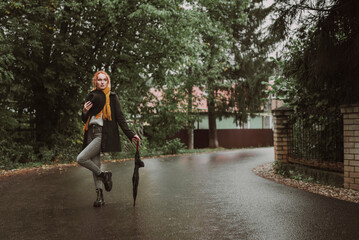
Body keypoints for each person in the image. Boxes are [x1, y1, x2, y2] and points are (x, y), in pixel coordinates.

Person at [77, 70, 140, 207]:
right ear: (95, 82)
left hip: (102, 134)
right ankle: (100, 197)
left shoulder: (112, 97)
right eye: (99, 80)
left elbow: (120, 118)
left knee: (81, 158)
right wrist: (85, 111)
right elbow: (85, 119)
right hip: (90, 132)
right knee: (95, 165)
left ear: (108, 81)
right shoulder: (92, 96)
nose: (102, 82)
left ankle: (104, 174)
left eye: (104, 80)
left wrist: (130, 134)